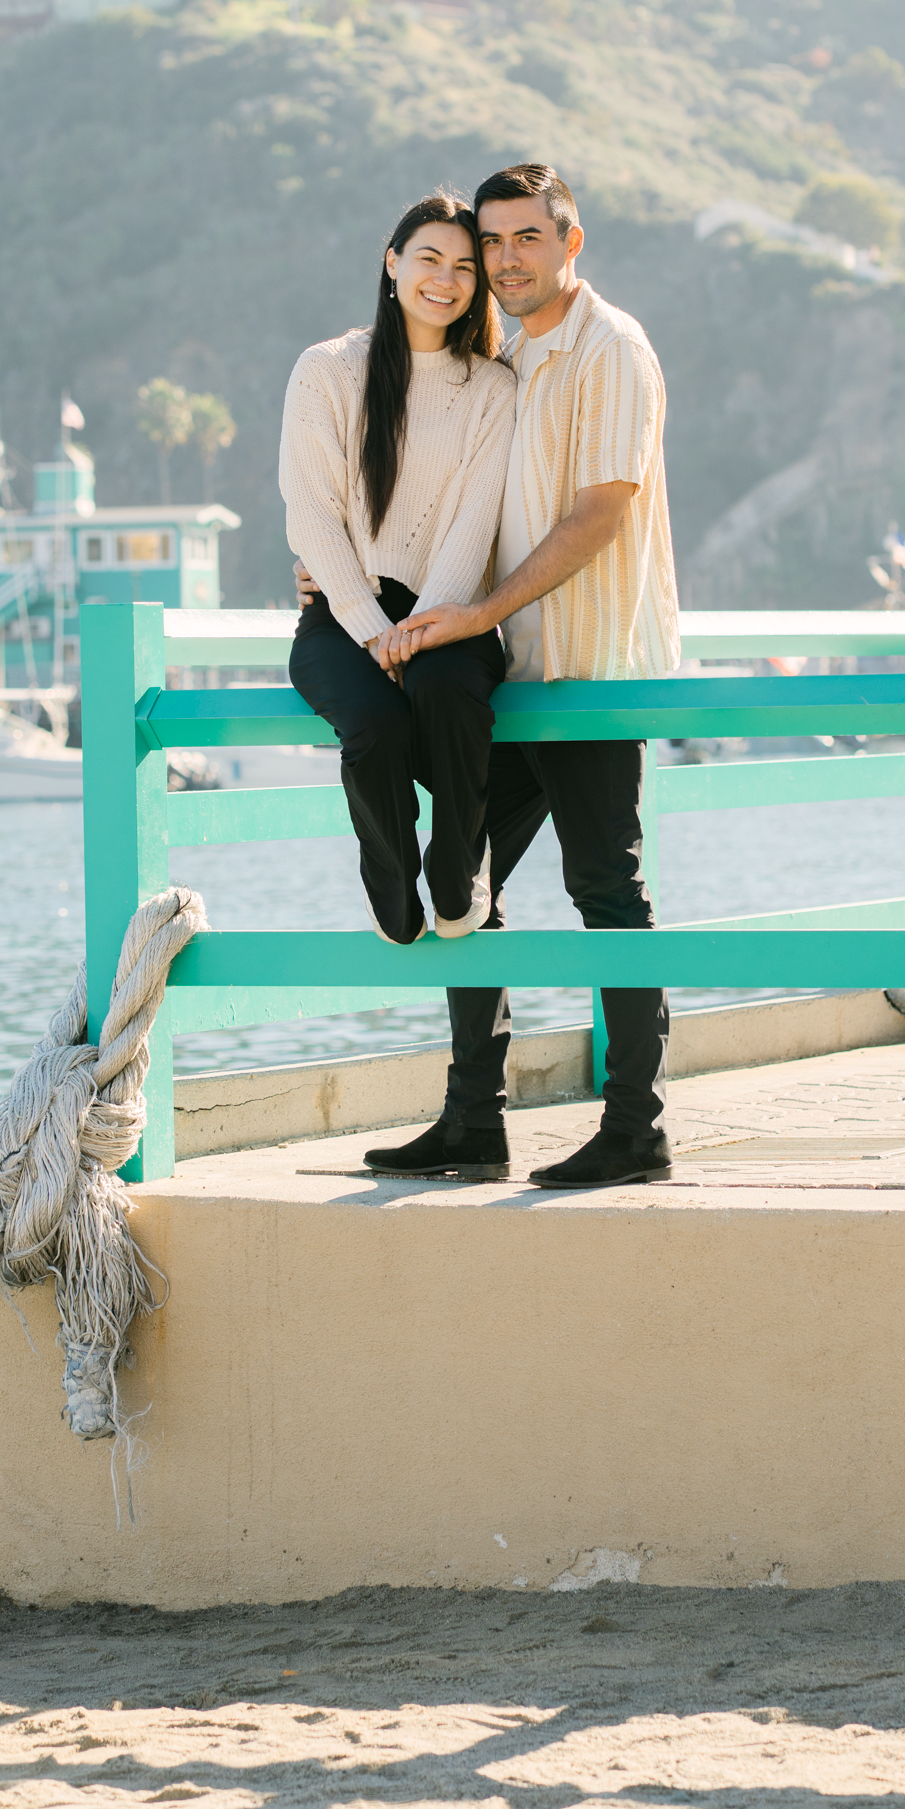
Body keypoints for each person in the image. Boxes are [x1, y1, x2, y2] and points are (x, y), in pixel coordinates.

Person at [360, 160, 680, 1190]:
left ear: (568, 241)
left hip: (588, 669)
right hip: (514, 675)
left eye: (524, 239)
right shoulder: (507, 359)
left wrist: (479, 613)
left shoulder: (608, 348)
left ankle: (636, 1128)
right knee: (462, 881)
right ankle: (474, 1121)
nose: (503, 260)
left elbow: (600, 510)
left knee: (604, 892)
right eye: (489, 243)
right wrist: (346, 570)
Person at [279, 192, 516, 967]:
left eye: (462, 267)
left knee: (448, 694)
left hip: (447, 612)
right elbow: (310, 512)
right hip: (344, 617)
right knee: (374, 727)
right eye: (428, 259)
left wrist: (419, 629)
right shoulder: (327, 370)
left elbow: (472, 526)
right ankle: (389, 874)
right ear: (391, 263)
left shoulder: (492, 388)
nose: (443, 279)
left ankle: (459, 864)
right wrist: (371, 628)